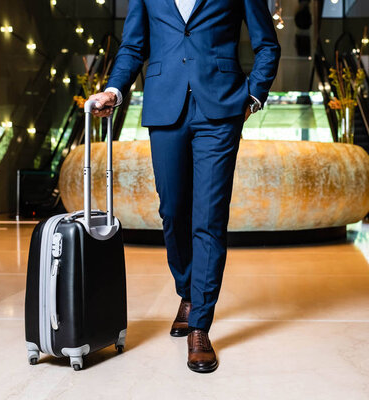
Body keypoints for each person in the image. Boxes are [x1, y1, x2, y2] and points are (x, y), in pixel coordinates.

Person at [88, 0, 280, 373]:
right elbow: (132, 46)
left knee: (208, 218)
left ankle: (200, 326)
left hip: (221, 108)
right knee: (173, 212)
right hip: (165, 104)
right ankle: (188, 293)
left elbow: (267, 44)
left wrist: (253, 95)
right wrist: (114, 89)